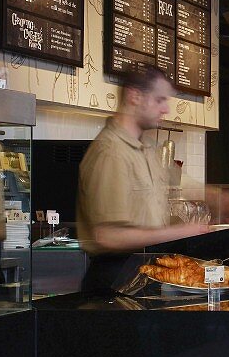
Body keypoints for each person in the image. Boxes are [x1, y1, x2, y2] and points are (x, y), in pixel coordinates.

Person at [77, 66, 209, 292]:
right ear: (134, 96)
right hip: (114, 279)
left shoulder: (145, 147)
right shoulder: (111, 152)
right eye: (160, 100)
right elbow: (108, 236)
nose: (166, 109)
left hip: (140, 274)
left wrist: (225, 199)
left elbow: (179, 183)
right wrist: (180, 232)